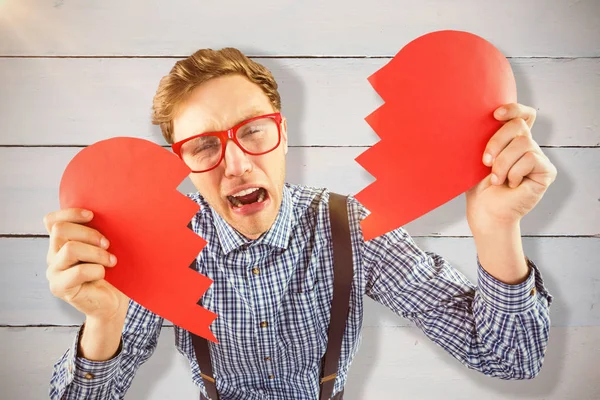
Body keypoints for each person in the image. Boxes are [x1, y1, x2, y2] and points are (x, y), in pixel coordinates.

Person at [45, 47, 556, 399]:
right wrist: (104, 321)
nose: (238, 164)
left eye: (255, 131)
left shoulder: (351, 229)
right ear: (184, 166)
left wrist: (496, 229)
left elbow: (513, 359)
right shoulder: (162, 247)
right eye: (204, 146)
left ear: (284, 136)